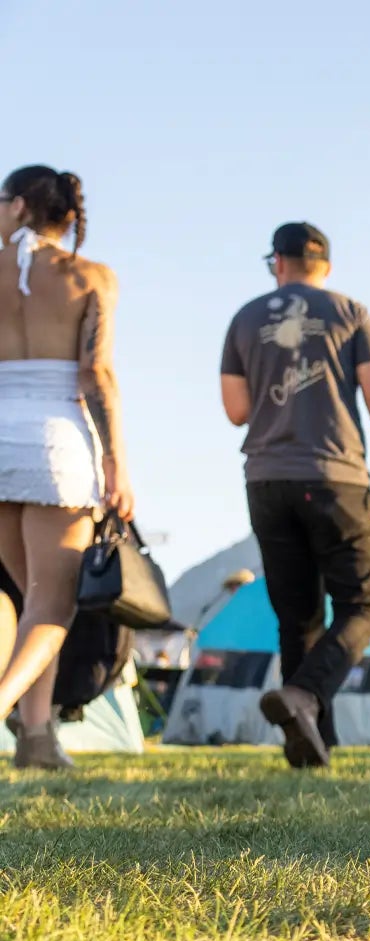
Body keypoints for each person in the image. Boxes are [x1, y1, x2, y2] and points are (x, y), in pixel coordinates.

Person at [219, 222, 370, 768]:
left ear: (277, 263)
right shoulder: (350, 312)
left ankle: (311, 746)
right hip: (336, 476)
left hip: (265, 479)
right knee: (363, 604)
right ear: (325, 266)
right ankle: (304, 698)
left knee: (297, 617)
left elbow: (236, 410)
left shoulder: (245, 317)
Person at [0, 166, 132, 769]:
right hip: (54, 439)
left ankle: (36, 740)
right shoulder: (90, 276)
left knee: (30, 598)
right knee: (53, 604)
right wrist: (117, 462)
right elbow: (94, 375)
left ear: (21, 205)